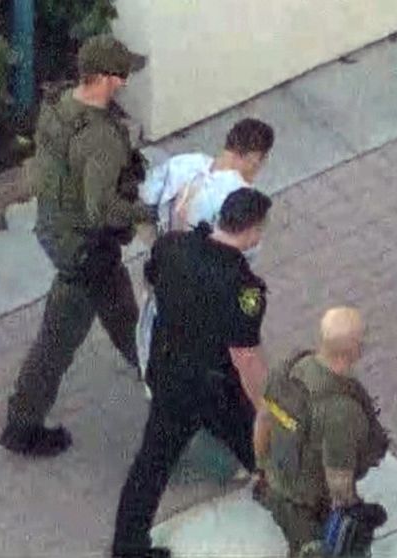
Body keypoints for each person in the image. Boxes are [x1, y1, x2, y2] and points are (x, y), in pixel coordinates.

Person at [0, 34, 152, 457]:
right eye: (120, 75)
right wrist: (149, 211)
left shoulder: (60, 107)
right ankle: (22, 425)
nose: (124, 82)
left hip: (59, 234)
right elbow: (103, 210)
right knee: (109, 334)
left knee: (83, 329)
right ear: (103, 78)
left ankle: (23, 420)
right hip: (88, 250)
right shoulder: (100, 139)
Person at [111, 188, 274, 558]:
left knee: (151, 464)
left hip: (169, 373)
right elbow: (245, 357)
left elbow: (153, 281)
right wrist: (265, 403)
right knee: (259, 441)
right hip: (216, 386)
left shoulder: (172, 247)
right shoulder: (244, 287)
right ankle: (293, 504)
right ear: (250, 230)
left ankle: (128, 546)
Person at [253, 307, 390, 557]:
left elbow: (262, 422)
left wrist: (262, 469)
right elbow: (339, 484)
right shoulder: (340, 412)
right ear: (354, 350)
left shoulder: (286, 371)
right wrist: (352, 512)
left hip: (278, 487)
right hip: (312, 503)